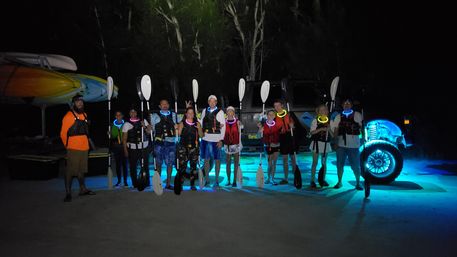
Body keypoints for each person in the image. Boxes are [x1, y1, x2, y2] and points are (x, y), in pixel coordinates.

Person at [60, 94, 95, 202]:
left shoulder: (84, 114)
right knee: (70, 171)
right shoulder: (68, 116)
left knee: (81, 170)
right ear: (73, 104)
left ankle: (82, 189)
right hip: (73, 148)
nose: (80, 103)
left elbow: (86, 131)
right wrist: (68, 146)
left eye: (81, 101)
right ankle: (68, 193)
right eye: (77, 101)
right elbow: (62, 134)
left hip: (84, 148)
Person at [331, 98, 363, 190]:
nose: (346, 105)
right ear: (342, 105)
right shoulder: (338, 116)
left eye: (348, 103)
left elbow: (361, 128)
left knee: (355, 165)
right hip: (341, 145)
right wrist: (335, 142)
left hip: (354, 145)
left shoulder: (357, 115)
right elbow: (336, 130)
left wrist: (363, 139)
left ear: (351, 105)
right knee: (340, 164)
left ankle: (358, 182)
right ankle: (339, 182)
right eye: (345, 103)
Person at [150, 99, 178, 190]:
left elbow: (182, 123)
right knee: (158, 164)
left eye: (166, 104)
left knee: (169, 164)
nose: (165, 105)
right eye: (163, 104)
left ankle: (168, 184)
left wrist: (178, 126)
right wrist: (147, 128)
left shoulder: (174, 115)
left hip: (170, 143)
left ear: (168, 105)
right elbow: (150, 130)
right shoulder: (154, 116)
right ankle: (158, 183)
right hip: (159, 143)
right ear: (160, 106)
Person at [122, 107, 152, 188]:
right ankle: (135, 183)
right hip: (132, 148)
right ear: (129, 114)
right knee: (133, 166)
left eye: (134, 112)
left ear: (136, 113)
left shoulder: (143, 121)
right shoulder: (126, 124)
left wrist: (145, 126)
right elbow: (124, 139)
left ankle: (146, 182)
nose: (133, 114)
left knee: (145, 165)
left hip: (144, 147)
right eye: (131, 112)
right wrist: (125, 150)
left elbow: (149, 133)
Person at [200, 95, 225, 187]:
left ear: (216, 102)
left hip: (216, 139)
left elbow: (223, 127)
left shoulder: (220, 112)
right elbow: (202, 123)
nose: (212, 103)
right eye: (210, 101)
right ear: (208, 102)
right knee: (206, 160)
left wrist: (221, 140)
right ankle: (207, 180)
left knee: (217, 160)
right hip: (205, 139)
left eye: (214, 101)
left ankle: (217, 180)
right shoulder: (204, 111)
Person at [177, 107, 203, 191]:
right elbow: (178, 134)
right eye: (189, 113)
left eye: (192, 113)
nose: (190, 114)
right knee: (182, 167)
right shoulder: (182, 123)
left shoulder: (197, 123)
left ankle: (192, 184)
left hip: (194, 149)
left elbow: (202, 136)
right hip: (183, 148)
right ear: (186, 114)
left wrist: (199, 128)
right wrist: (177, 128)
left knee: (193, 167)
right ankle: (180, 184)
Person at [309, 104, 333, 188]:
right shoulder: (315, 121)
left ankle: (322, 179)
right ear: (318, 112)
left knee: (323, 163)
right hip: (316, 144)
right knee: (314, 162)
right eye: (321, 110)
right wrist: (321, 129)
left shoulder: (330, 121)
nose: (323, 111)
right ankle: (312, 180)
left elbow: (333, 135)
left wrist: (329, 129)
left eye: (324, 110)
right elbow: (312, 132)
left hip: (326, 144)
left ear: (327, 111)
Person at [273, 99, 296, 185]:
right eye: (275, 106)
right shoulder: (275, 117)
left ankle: (295, 177)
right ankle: (286, 178)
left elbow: (294, 127)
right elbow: (274, 129)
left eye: (278, 105)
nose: (277, 107)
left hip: (291, 137)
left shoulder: (289, 114)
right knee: (285, 159)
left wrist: (292, 126)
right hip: (282, 139)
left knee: (293, 159)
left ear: (282, 105)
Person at [257, 110, 282, 185]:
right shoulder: (263, 125)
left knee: (274, 163)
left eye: (272, 115)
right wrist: (259, 130)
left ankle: (272, 178)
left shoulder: (277, 125)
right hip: (267, 146)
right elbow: (258, 136)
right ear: (267, 116)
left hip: (276, 146)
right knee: (269, 163)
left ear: (274, 116)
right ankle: (268, 178)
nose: (270, 116)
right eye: (269, 115)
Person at [223, 106, 242, 187]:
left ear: (234, 113)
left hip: (235, 145)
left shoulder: (237, 121)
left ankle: (234, 180)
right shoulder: (223, 122)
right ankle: (228, 180)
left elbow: (241, 131)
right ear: (226, 113)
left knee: (236, 163)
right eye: (228, 111)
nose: (230, 113)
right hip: (227, 145)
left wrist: (240, 126)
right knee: (228, 164)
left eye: (232, 111)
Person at [111, 111, 128, 187]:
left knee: (125, 165)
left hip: (124, 146)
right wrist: (109, 133)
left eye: (120, 115)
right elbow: (113, 135)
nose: (118, 116)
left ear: (122, 116)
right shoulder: (112, 125)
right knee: (118, 165)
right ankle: (119, 181)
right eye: (117, 115)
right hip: (116, 147)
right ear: (115, 116)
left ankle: (125, 181)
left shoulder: (125, 124)